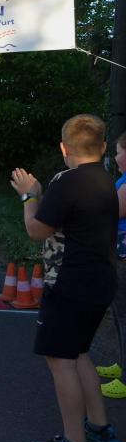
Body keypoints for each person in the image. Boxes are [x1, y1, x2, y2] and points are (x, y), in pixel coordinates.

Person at [10, 114, 121, 442]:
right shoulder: (107, 179)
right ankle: (99, 428)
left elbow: (36, 230)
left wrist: (29, 197)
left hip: (69, 283)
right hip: (101, 281)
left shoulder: (66, 181)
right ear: (103, 147)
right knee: (79, 352)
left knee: (61, 362)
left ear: (63, 148)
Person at [97, 131, 126, 399]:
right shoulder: (122, 179)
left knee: (124, 314)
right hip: (118, 253)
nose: (115, 158)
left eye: (118, 152)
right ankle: (121, 364)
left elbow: (113, 211)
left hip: (124, 256)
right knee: (118, 312)